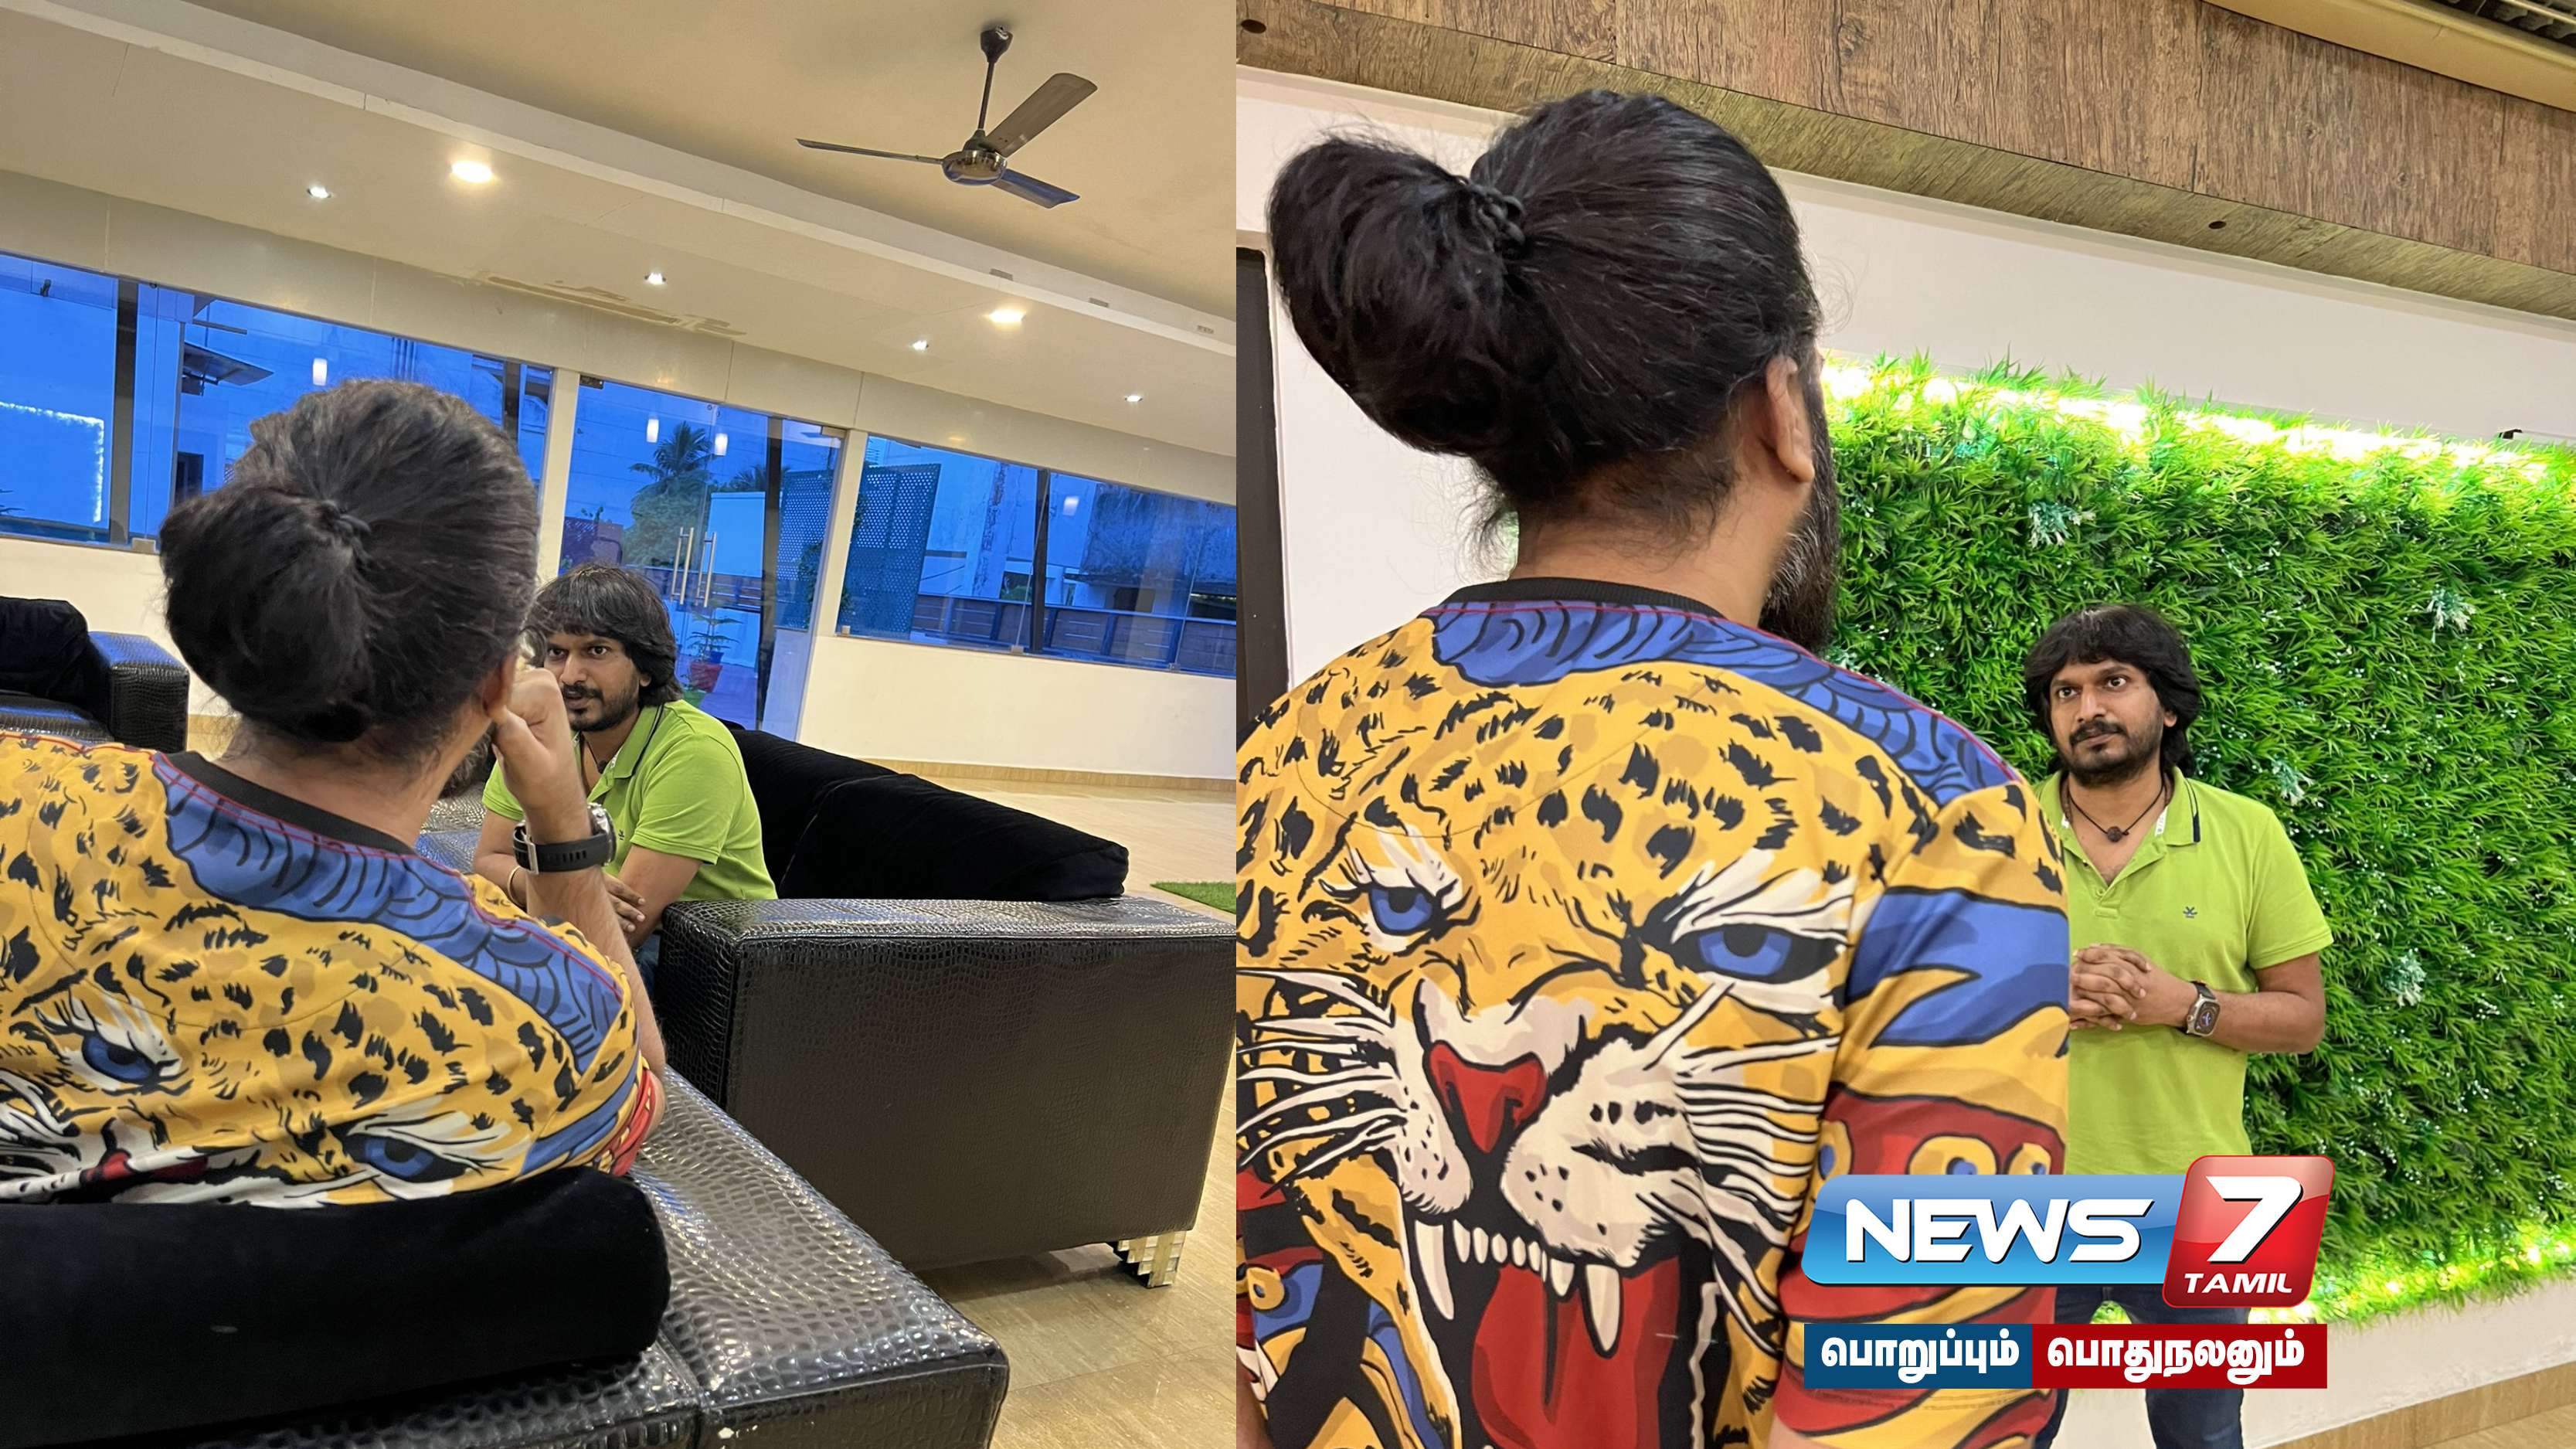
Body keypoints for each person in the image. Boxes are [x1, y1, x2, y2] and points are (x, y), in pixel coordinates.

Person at [1240, 90, 2071, 1449]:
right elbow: (1930, 1389)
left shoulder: (1294, 745)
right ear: (1782, 409)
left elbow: (1258, 1281)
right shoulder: (1934, 805)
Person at [0, 380, 661, 1204]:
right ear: (499, 681)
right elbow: (640, 1081)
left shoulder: (17, 790)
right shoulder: (544, 1020)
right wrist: (562, 824)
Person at [2025, 605, 2330, 1449]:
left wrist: (2184, 1005)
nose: (2088, 707)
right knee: (2003, 1435)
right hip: (2023, 1199)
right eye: (2065, 692)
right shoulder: (1992, 828)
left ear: (2167, 705)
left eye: (2113, 682)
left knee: (2203, 1437)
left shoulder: (2247, 833)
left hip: (2201, 1203)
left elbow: (2302, 1018)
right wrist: (2037, 995)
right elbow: (1921, 1003)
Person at [473, 564, 772, 985]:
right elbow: (487, 860)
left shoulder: (694, 751)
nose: (569, 676)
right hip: (582, 924)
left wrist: (543, 882)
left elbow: (624, 928)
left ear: (645, 668)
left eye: (596, 651)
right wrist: (546, 880)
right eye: (556, 653)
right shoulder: (544, 730)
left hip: (696, 958)